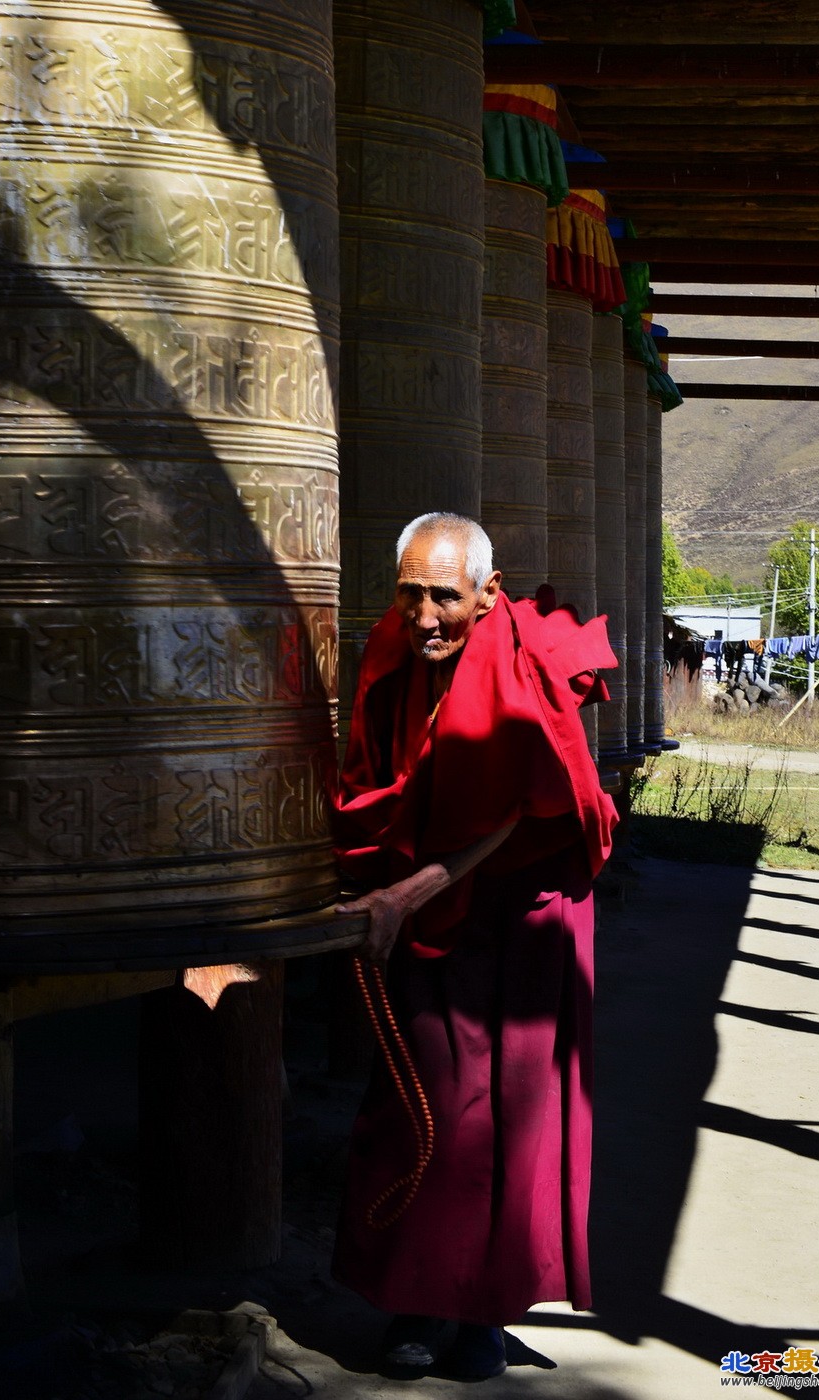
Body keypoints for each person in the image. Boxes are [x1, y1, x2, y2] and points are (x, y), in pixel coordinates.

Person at [332, 512, 618, 1380]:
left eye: (445, 598)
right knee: (425, 1097)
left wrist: (407, 892)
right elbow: (375, 771)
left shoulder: (523, 658)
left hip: (526, 905)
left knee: (515, 1111)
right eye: (409, 593)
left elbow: (523, 800)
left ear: (488, 595)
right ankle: (416, 1299)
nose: (423, 617)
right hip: (430, 901)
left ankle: (486, 1310)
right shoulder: (395, 648)